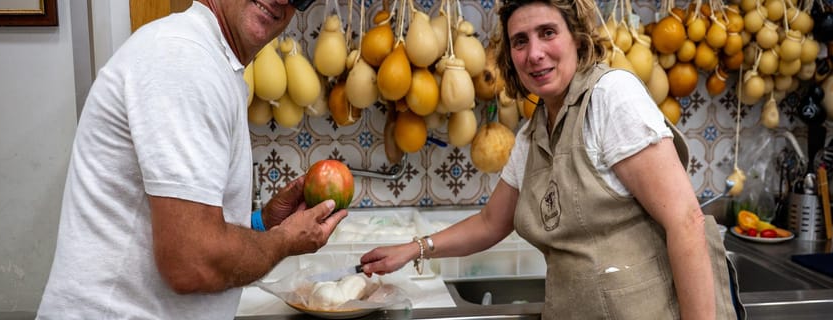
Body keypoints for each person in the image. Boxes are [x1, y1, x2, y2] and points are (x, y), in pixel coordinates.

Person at [360, 0, 741, 318]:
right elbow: (492, 222)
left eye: (547, 32)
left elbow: (686, 222)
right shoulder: (533, 132)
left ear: (576, 38)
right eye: (519, 41)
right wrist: (414, 249)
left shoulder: (611, 96)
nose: (534, 54)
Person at [36, 0, 346, 319]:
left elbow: (190, 228)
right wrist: (283, 241)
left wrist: (264, 225)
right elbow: (193, 263)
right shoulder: (183, 59)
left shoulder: (211, 62)